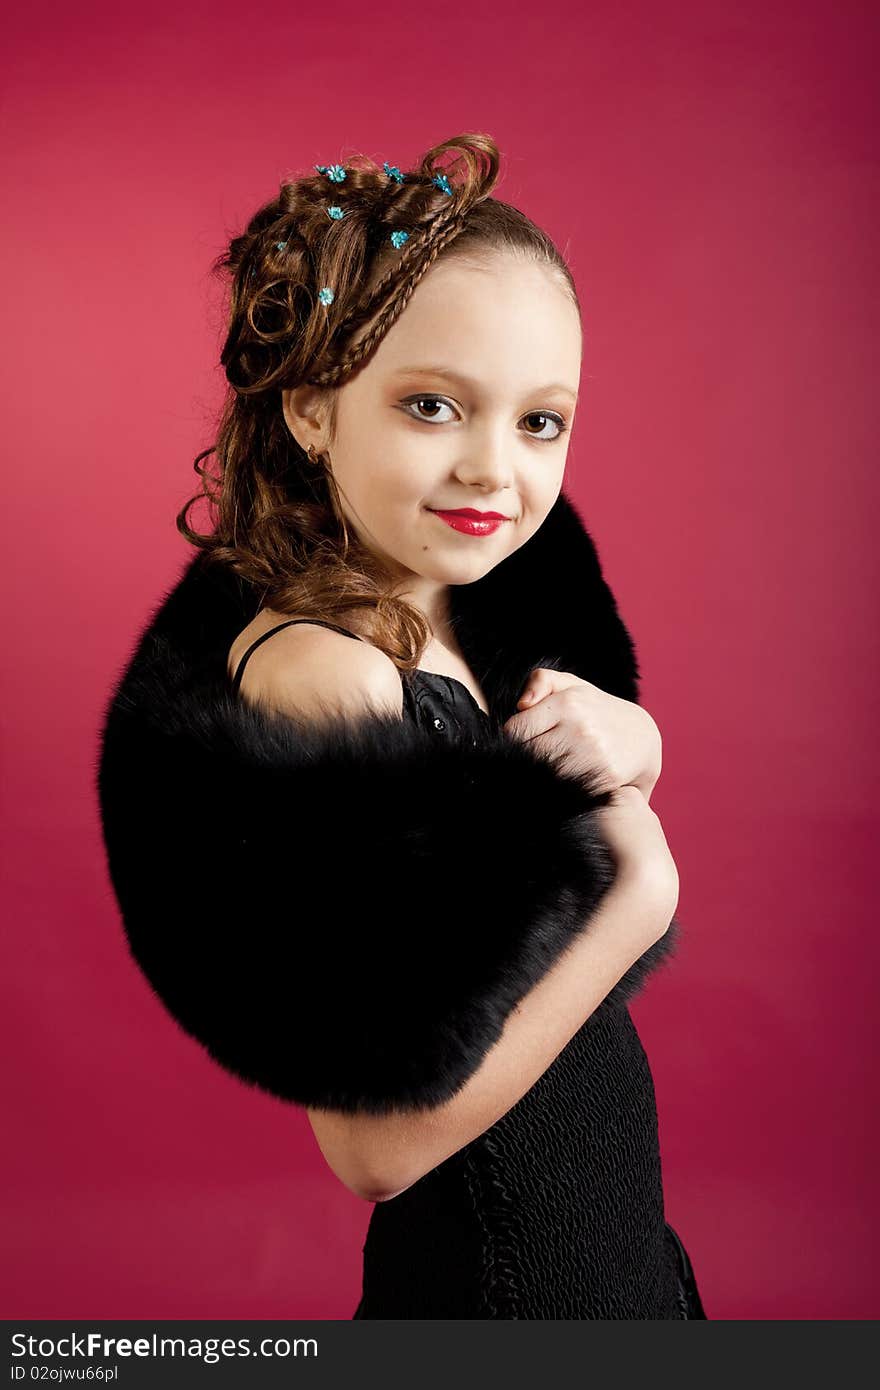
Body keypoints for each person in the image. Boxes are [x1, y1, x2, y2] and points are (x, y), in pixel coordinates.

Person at [96, 133, 708, 1319]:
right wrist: (639, 897)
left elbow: (510, 926)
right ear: (314, 408)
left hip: (610, 1269)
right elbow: (373, 1141)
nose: (494, 469)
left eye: (541, 422)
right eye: (433, 405)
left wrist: (632, 740)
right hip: (504, 1298)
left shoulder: (464, 637)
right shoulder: (326, 676)